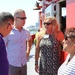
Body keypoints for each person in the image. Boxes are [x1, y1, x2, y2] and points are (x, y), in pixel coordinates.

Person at [3, 9, 32, 75]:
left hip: (23, 64)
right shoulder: (8, 31)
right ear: (15, 18)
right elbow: (3, 46)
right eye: (22, 18)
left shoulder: (26, 31)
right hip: (12, 64)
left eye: (25, 18)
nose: (24, 20)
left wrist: (28, 51)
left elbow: (29, 40)